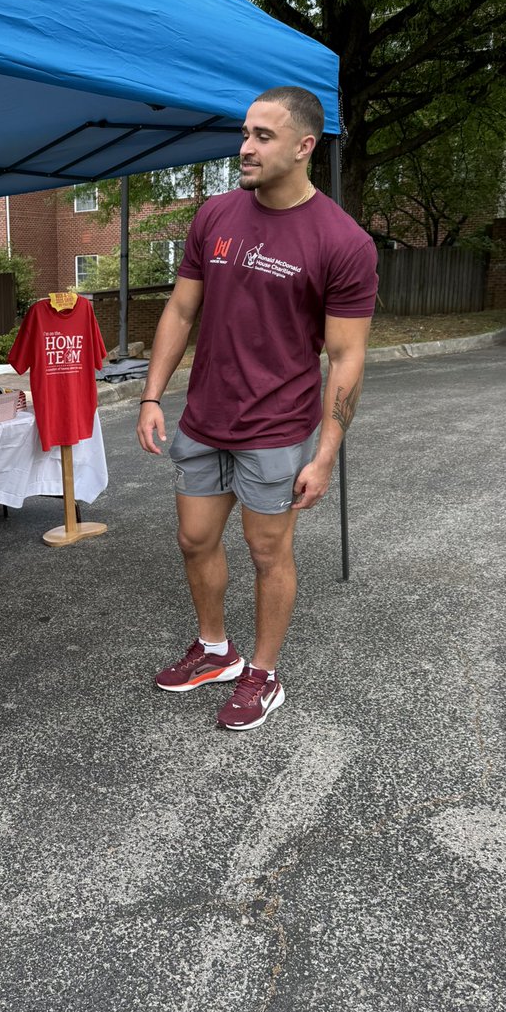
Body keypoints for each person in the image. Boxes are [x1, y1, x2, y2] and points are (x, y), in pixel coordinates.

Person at [137, 87, 378, 731]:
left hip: (275, 428)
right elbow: (182, 310)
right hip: (202, 420)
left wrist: (325, 453)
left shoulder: (343, 242)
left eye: (263, 136)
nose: (245, 147)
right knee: (194, 540)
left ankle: (263, 674)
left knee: (267, 552)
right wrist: (152, 395)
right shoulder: (215, 215)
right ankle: (215, 650)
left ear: (304, 147)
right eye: (245, 133)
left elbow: (346, 358)